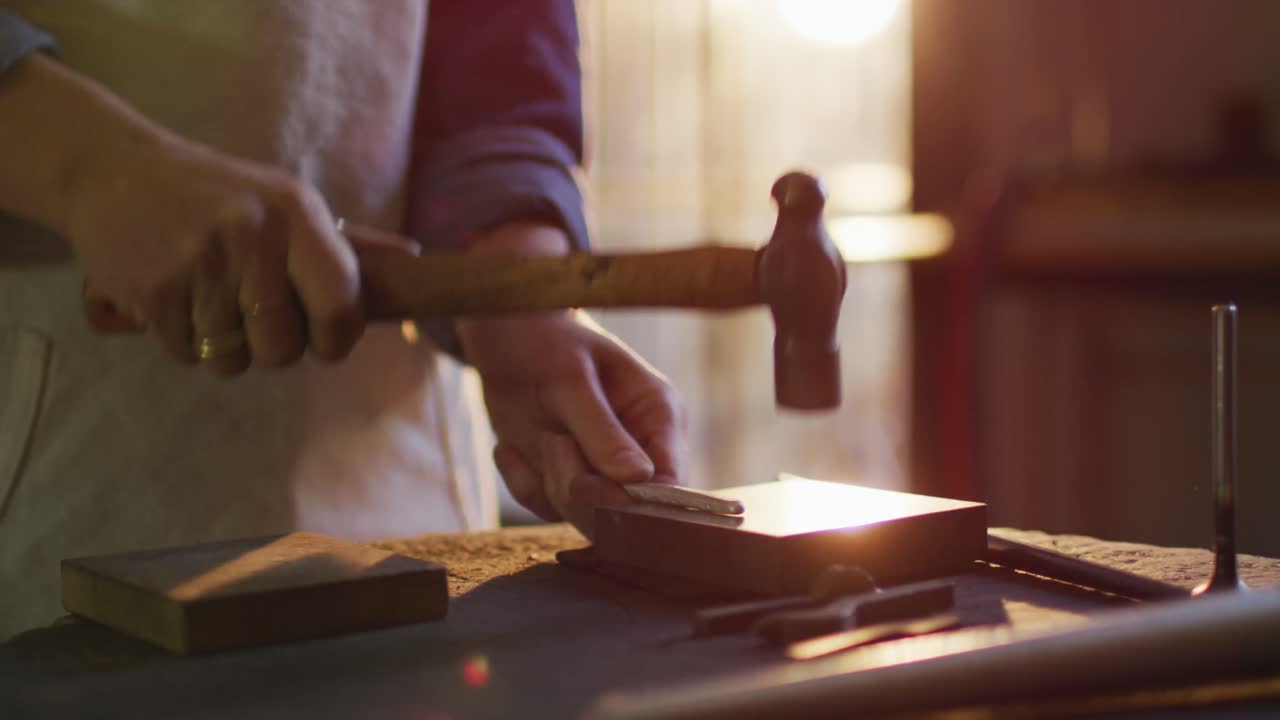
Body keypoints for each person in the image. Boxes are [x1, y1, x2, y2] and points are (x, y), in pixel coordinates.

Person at [0, 1, 685, 639]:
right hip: (53, 497)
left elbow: (497, 50)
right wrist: (89, 167)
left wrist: (511, 287)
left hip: (402, 508)